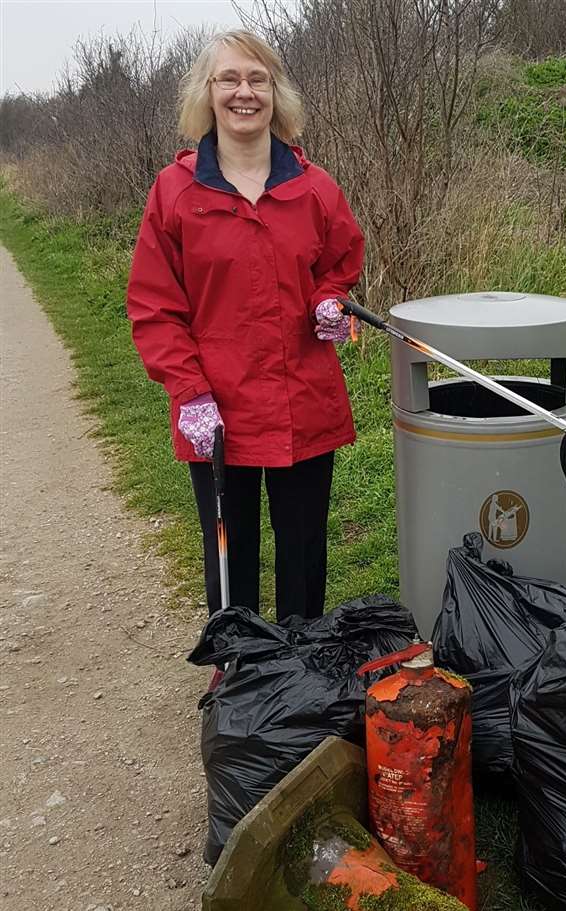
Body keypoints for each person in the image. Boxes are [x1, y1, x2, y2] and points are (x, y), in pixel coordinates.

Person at [127, 29, 363, 624]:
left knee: (303, 549)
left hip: (304, 400)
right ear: (207, 93)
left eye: (258, 79)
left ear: (276, 93)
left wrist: (330, 304)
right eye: (229, 79)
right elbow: (156, 306)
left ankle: (303, 666)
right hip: (218, 407)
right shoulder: (175, 193)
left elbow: (339, 264)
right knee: (231, 553)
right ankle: (239, 667)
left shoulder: (314, 188)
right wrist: (189, 392)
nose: (244, 92)